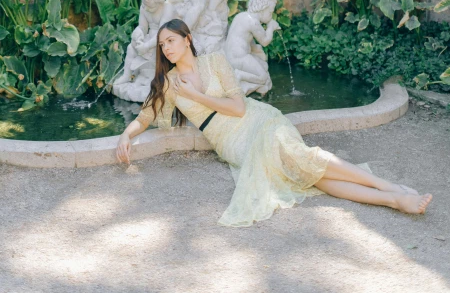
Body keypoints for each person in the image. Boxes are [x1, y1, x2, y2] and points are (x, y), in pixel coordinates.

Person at [116, 19, 432, 228]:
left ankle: (389, 192)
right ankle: (391, 194)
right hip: (231, 141)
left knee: (303, 163)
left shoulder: (215, 62)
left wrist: (196, 96)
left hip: (258, 118)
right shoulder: (169, 83)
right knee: (305, 172)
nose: (167, 48)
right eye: (162, 45)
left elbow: (239, 107)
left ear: (187, 39)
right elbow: (146, 115)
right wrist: (125, 136)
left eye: (171, 40)